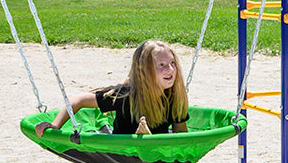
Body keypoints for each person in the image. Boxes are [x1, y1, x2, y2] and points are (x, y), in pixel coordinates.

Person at [35, 40, 189, 138]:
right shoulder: (125, 95)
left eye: (172, 63)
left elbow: (181, 134)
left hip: (157, 150)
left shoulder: (174, 96)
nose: (170, 69)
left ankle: (145, 139)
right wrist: (55, 126)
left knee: (154, 140)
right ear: (144, 71)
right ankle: (141, 139)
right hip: (122, 150)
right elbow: (79, 100)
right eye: (161, 65)